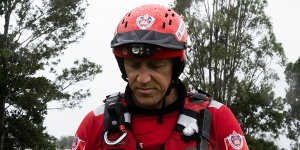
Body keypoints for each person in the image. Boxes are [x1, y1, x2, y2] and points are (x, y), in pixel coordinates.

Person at [72, 4, 249, 150]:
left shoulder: (216, 118)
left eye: (156, 66)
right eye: (133, 65)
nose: (143, 79)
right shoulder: (96, 123)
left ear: (176, 66)